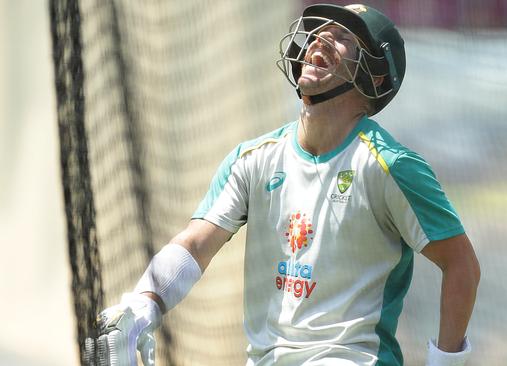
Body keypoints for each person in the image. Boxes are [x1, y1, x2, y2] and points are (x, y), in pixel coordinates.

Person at [86, 4, 480, 366]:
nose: (320, 41)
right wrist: (142, 306)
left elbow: (461, 264)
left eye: (344, 38)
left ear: (374, 78)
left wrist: (445, 362)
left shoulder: (391, 165)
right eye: (319, 32)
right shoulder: (254, 158)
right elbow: (194, 244)